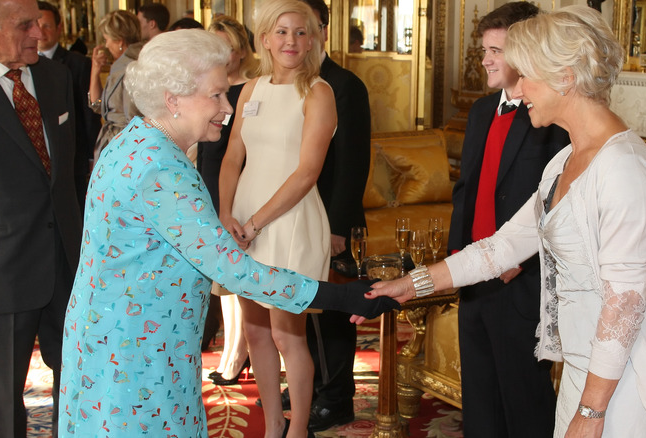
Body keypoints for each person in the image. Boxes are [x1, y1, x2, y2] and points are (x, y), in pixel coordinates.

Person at [58, 28, 397, 437]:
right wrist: (341, 295)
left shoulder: (135, 141)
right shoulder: (160, 169)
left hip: (121, 335)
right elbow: (236, 270)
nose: (228, 108)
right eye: (216, 95)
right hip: (136, 349)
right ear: (173, 99)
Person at [364, 6, 646, 438]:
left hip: (624, 383)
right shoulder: (563, 161)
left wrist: (591, 413)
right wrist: (414, 284)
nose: (519, 87)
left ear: (565, 77)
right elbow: (502, 246)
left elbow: (623, 305)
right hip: (583, 370)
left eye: (527, 74)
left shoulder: (624, 168)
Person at [446, 3, 570, 436]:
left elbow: (557, 200)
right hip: (475, 274)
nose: (485, 59)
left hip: (520, 280)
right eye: (485, 49)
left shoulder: (550, 118)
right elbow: (467, 191)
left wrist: (524, 260)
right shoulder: (481, 110)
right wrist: (456, 259)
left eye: (496, 50)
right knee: (478, 396)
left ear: (525, 54)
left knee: (524, 400)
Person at [217, 0, 336, 435]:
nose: (292, 41)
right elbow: (231, 158)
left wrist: (255, 223)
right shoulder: (249, 90)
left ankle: (298, 428)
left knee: (288, 334)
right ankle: (272, 426)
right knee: (256, 331)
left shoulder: (318, 92)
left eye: (301, 32)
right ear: (264, 39)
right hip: (243, 219)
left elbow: (306, 172)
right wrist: (226, 214)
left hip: (289, 221)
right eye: (282, 32)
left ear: (313, 39)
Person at [0, 0, 83, 435]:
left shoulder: (56, 76)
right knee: (2, 393)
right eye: (25, 25)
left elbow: (73, 172)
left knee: (77, 376)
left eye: (39, 22)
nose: (40, 33)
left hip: (67, 258)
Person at [296, 0, 371, 433]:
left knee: (335, 312)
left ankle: (338, 397)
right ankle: (315, 383)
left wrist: (338, 228)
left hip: (333, 221)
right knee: (302, 305)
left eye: (304, 28)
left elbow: (353, 162)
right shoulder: (287, 84)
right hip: (296, 218)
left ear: (322, 30)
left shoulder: (345, 85)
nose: (296, 39)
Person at [197, 16, 257, 386]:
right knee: (221, 281)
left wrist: (228, 203)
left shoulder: (249, 92)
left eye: (226, 47)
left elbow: (241, 154)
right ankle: (232, 351)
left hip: (235, 190)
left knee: (236, 278)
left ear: (240, 51)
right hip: (207, 182)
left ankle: (238, 353)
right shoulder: (207, 90)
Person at [37, 0, 101, 208]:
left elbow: (88, 112)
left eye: (46, 25)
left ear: (59, 28)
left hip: (73, 158)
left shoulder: (77, 64)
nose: (40, 32)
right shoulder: (21, 66)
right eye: (35, 25)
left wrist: (92, 156)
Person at [88, 9, 142, 163]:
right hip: (116, 143)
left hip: (124, 149)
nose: (106, 45)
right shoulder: (119, 65)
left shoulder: (131, 67)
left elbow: (134, 119)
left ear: (119, 41)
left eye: (107, 39)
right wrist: (95, 71)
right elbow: (97, 105)